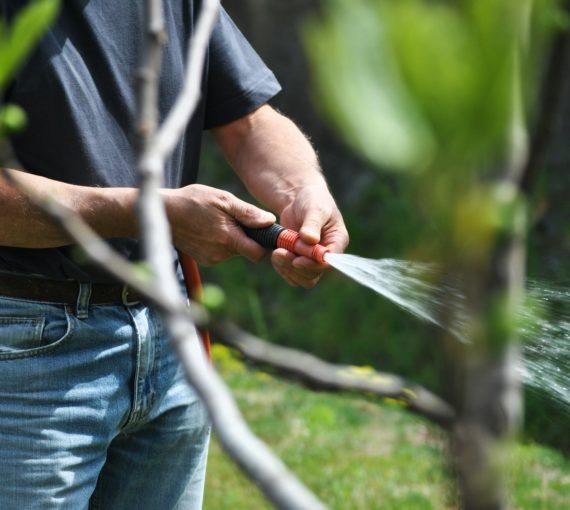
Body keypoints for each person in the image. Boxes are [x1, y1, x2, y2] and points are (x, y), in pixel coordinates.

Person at [0, 1, 348, 509]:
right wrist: (147, 212)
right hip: (26, 348)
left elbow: (249, 121)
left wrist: (303, 190)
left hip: (169, 333)